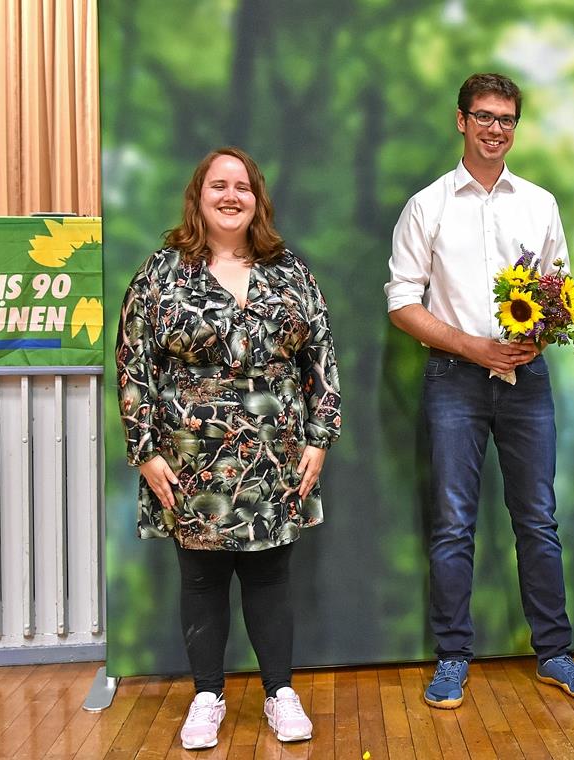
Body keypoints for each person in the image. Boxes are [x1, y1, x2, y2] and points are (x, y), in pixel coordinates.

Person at [385, 72, 574, 709]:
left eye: (506, 119)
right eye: (483, 116)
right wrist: (471, 345)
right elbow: (402, 301)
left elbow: (557, 289)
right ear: (461, 121)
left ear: (515, 126)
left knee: (538, 520)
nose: (495, 129)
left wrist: (544, 330)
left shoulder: (540, 203)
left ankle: (555, 654)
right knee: (454, 525)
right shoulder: (428, 205)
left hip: (527, 380)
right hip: (454, 379)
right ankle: (452, 658)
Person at [116, 147, 342, 749]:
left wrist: (319, 438)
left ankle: (279, 694)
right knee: (202, 578)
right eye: (219, 185)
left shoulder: (289, 270)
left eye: (242, 186)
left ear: (257, 200)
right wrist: (144, 449)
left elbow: (320, 356)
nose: (231, 195)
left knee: (271, 574)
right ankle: (207, 697)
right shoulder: (162, 273)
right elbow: (133, 363)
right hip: (191, 455)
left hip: (275, 452)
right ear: (198, 196)